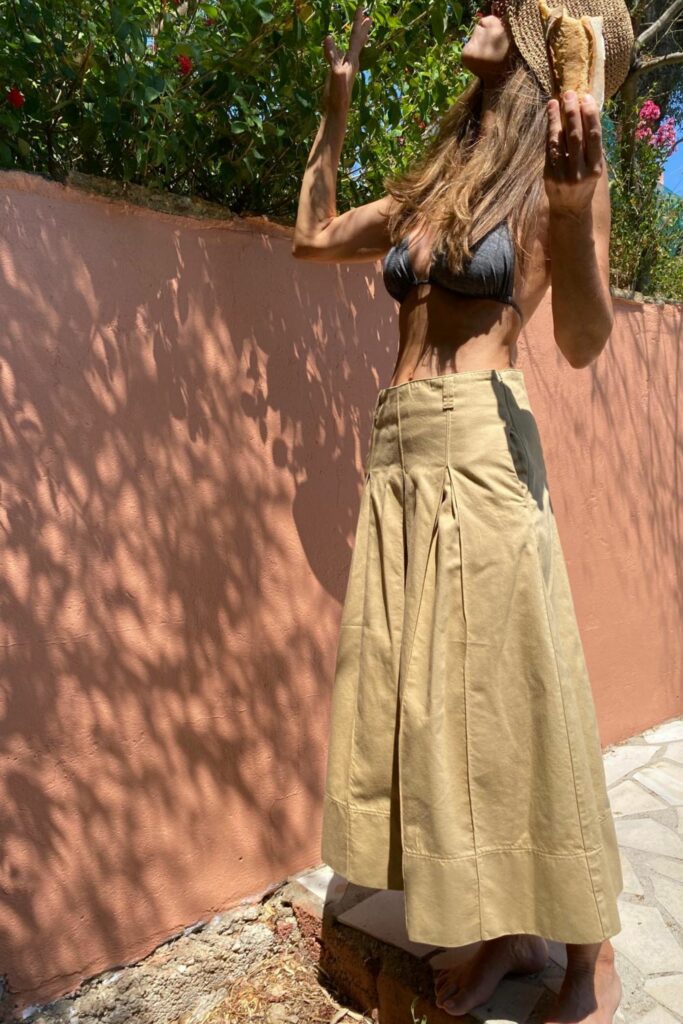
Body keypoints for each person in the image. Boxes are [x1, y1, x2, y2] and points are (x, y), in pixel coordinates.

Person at [291, 1, 634, 1021]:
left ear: (531, 52)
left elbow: (581, 340)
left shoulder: (558, 173)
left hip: (483, 446)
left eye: (500, 5)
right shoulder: (435, 180)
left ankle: (588, 958)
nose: (479, 9)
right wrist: (334, 115)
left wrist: (569, 211)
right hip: (400, 452)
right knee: (442, 708)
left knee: (519, 693)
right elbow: (312, 237)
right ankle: (501, 930)